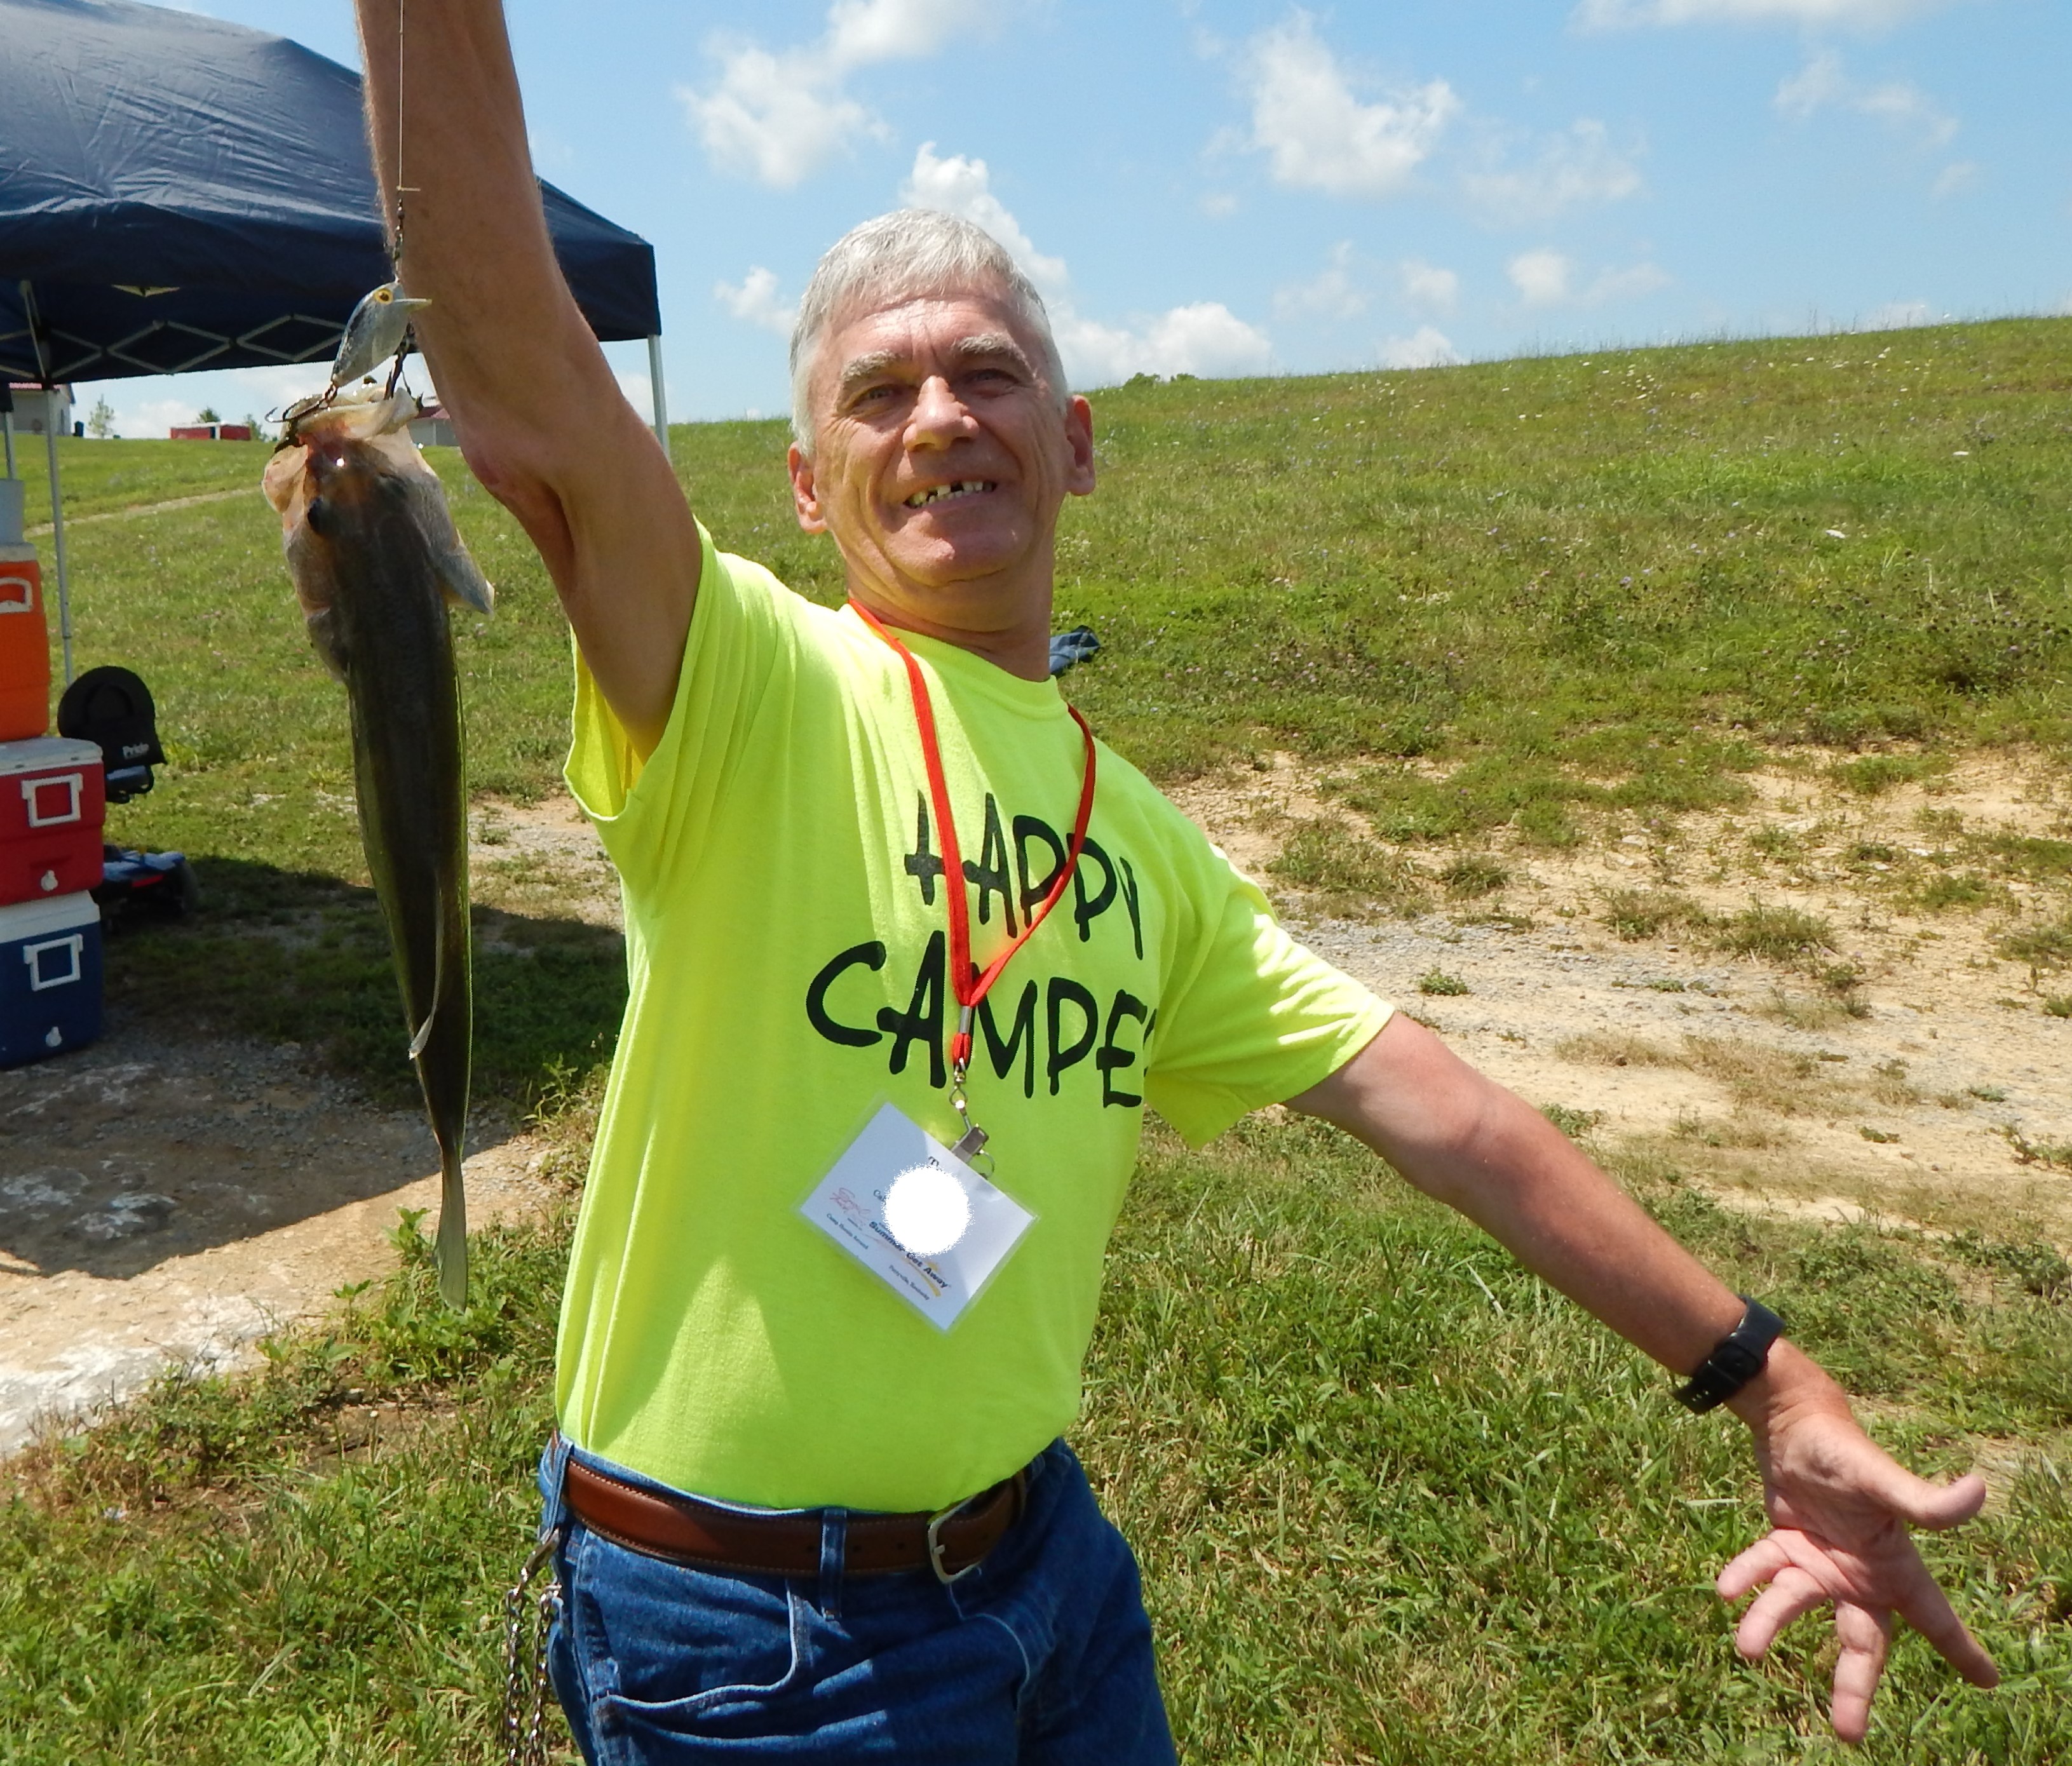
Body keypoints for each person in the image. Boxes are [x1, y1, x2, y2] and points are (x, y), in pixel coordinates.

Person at [352, 6, 2000, 1758]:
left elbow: (1447, 1114)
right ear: (809, 484)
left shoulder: (1136, 837)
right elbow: (522, 371)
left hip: (1046, 1569)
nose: (937, 418)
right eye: (878, 391)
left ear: (1072, 443)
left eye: (987, 374)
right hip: (758, 1640)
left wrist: (1766, 1368)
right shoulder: (743, 681)